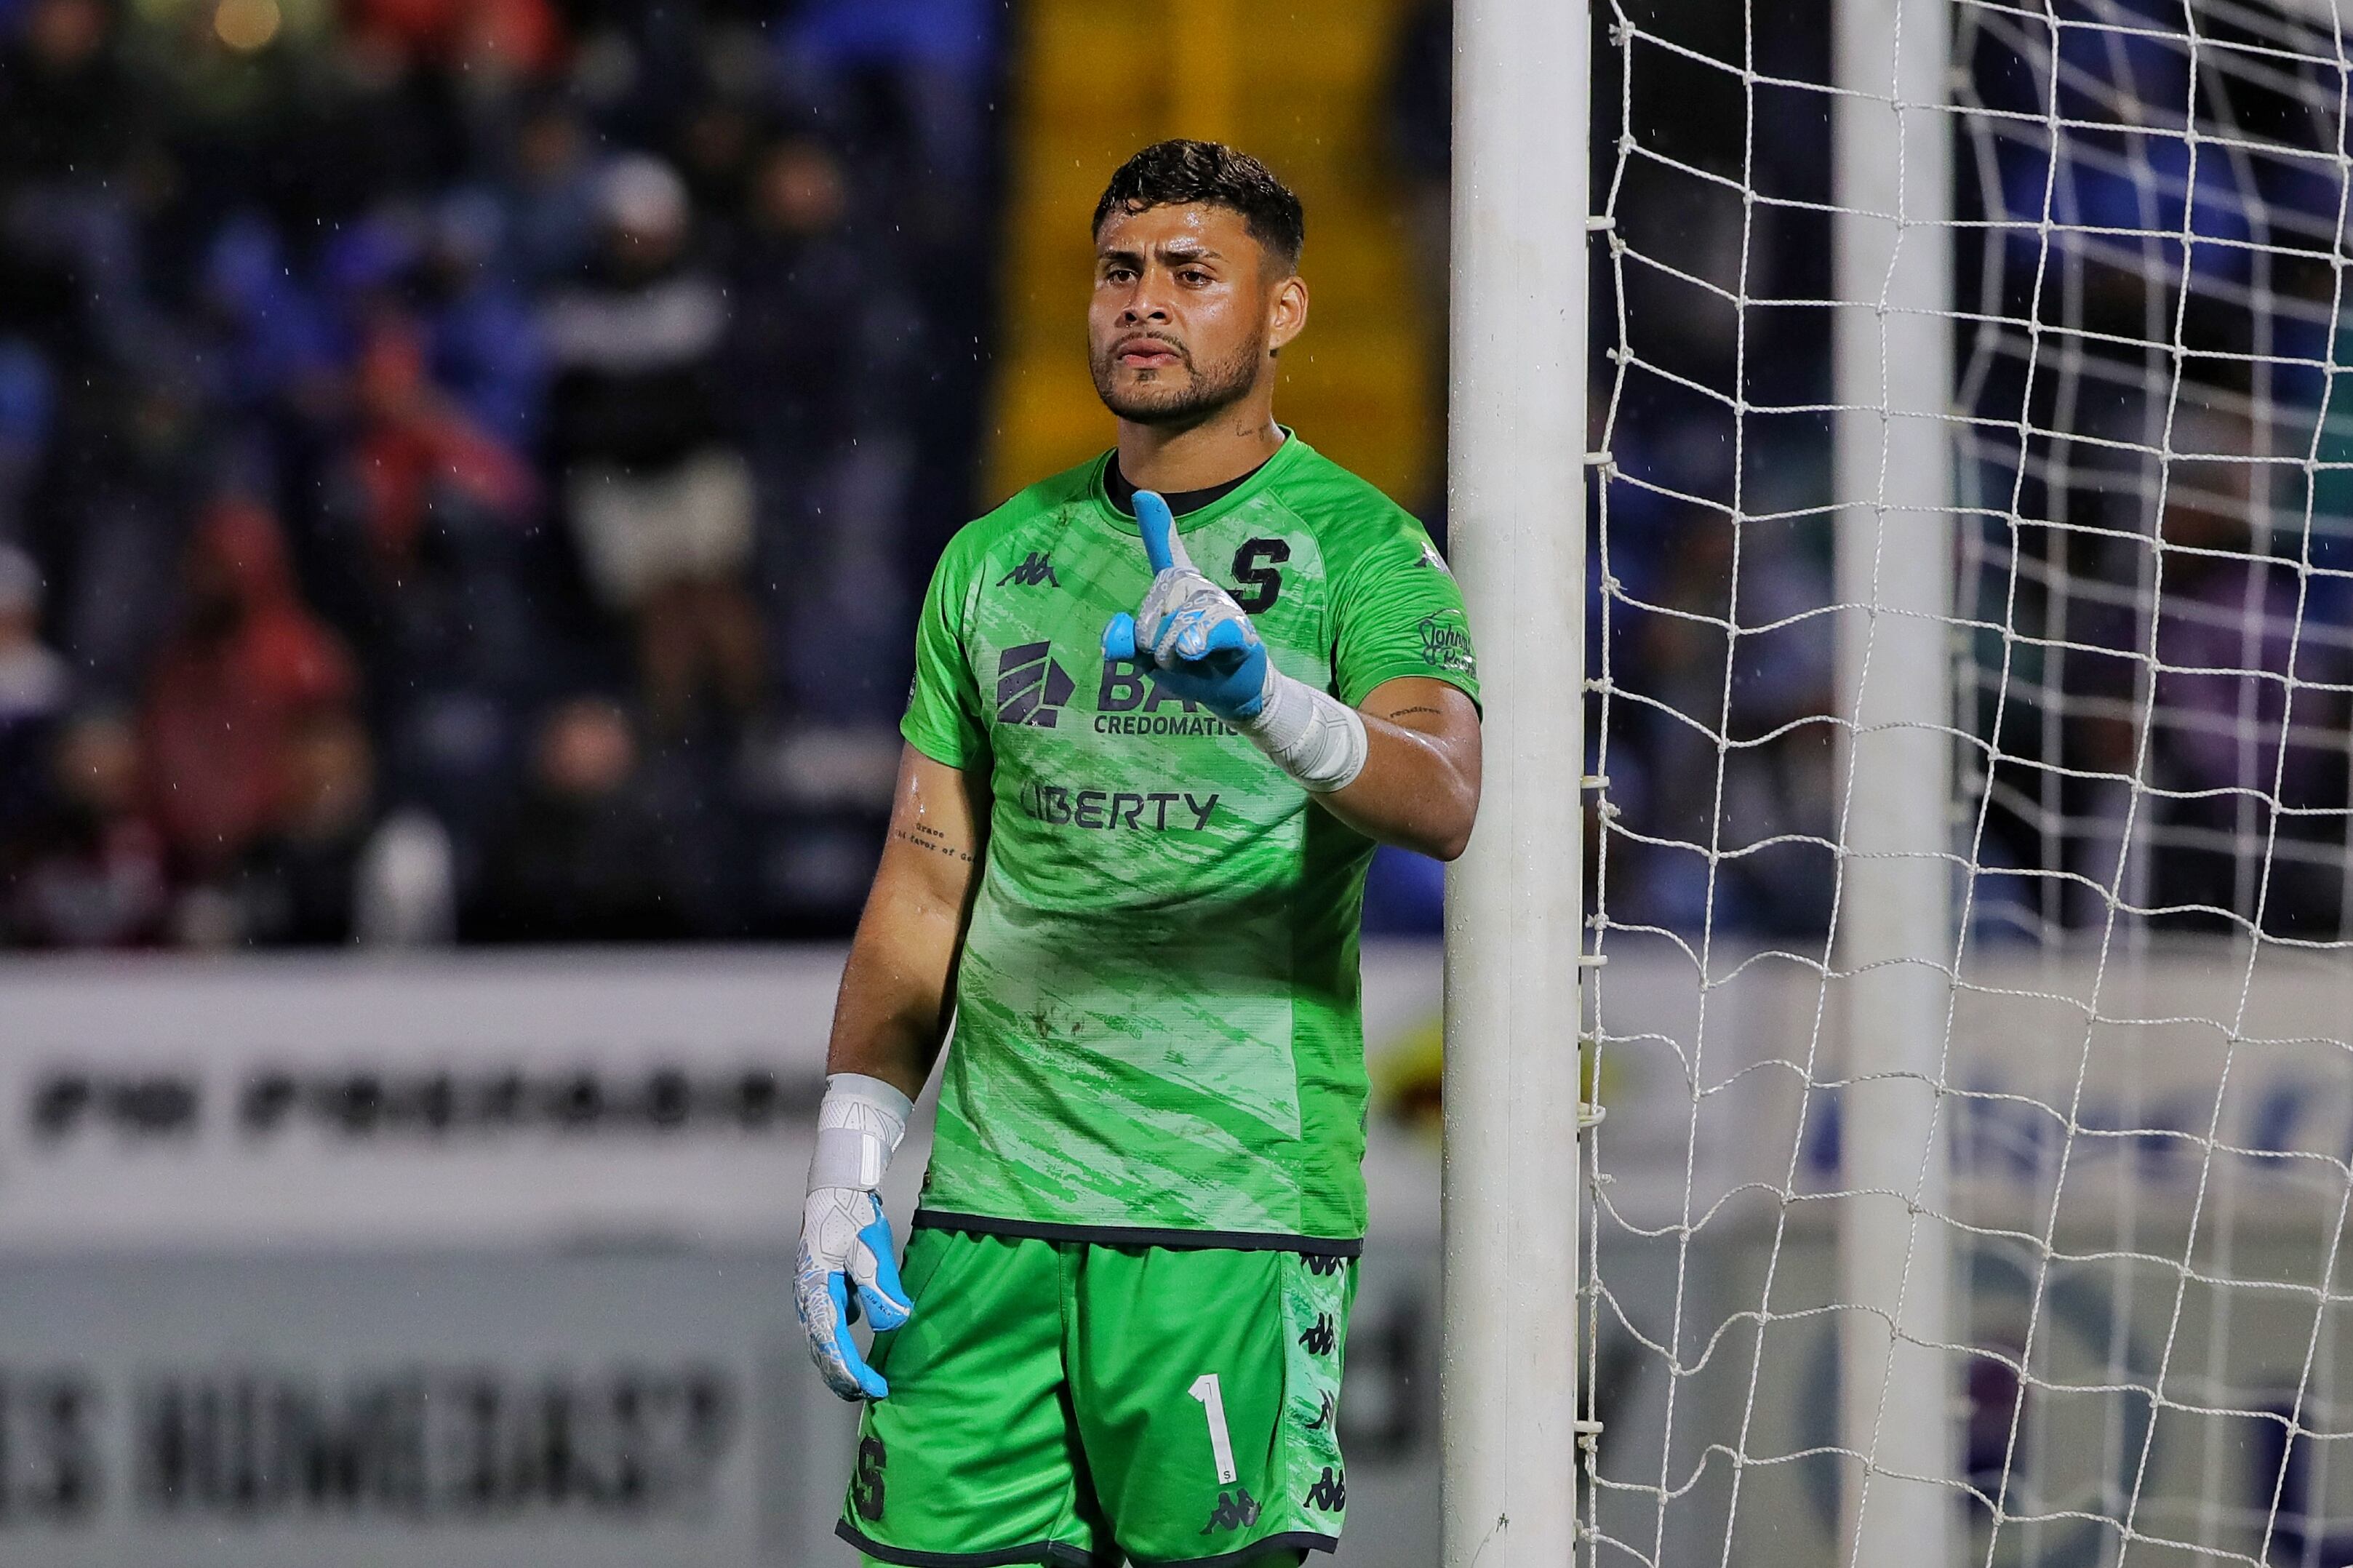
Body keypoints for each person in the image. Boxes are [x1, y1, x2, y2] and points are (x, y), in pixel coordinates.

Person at [795, 140, 1483, 1567]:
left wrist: (1267, 700)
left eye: (1192, 273)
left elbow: (1443, 791)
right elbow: (923, 884)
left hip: (1225, 1214)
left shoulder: (1365, 548)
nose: (1144, 303)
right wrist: (848, 1169)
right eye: (1120, 272)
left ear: (1281, 313)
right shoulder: (994, 559)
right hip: (983, 1215)